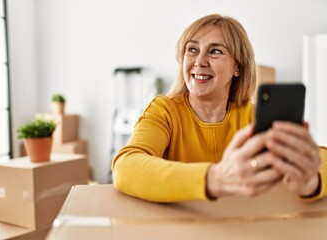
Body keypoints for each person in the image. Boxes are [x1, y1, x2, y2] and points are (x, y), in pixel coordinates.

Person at [111, 14, 327, 202]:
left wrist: (311, 182)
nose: (199, 61)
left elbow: (320, 159)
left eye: (215, 51)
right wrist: (215, 179)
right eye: (192, 49)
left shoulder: (252, 117)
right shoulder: (164, 111)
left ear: (237, 67)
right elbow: (126, 167)